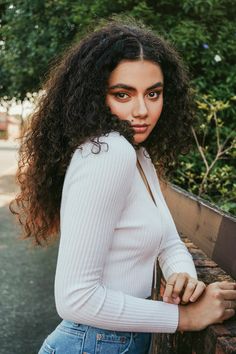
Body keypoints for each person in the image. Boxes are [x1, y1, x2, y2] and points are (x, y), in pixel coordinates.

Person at [10, 17, 236, 354]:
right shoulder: (110, 153)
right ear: (95, 96)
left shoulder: (136, 154)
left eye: (154, 93)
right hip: (93, 343)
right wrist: (185, 318)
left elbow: (169, 241)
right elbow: (75, 299)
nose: (142, 110)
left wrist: (182, 275)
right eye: (123, 94)